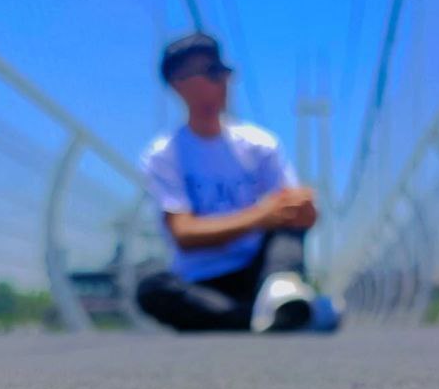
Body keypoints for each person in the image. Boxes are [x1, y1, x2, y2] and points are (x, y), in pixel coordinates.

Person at [137, 32, 320, 333]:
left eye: (224, 71)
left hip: (261, 270)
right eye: (212, 71)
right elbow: (184, 233)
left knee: (286, 225)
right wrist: (261, 215)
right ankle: (268, 316)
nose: (223, 80)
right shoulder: (164, 155)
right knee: (152, 288)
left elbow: (293, 214)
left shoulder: (261, 145)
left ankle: (277, 296)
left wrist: (303, 209)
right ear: (178, 82)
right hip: (202, 281)